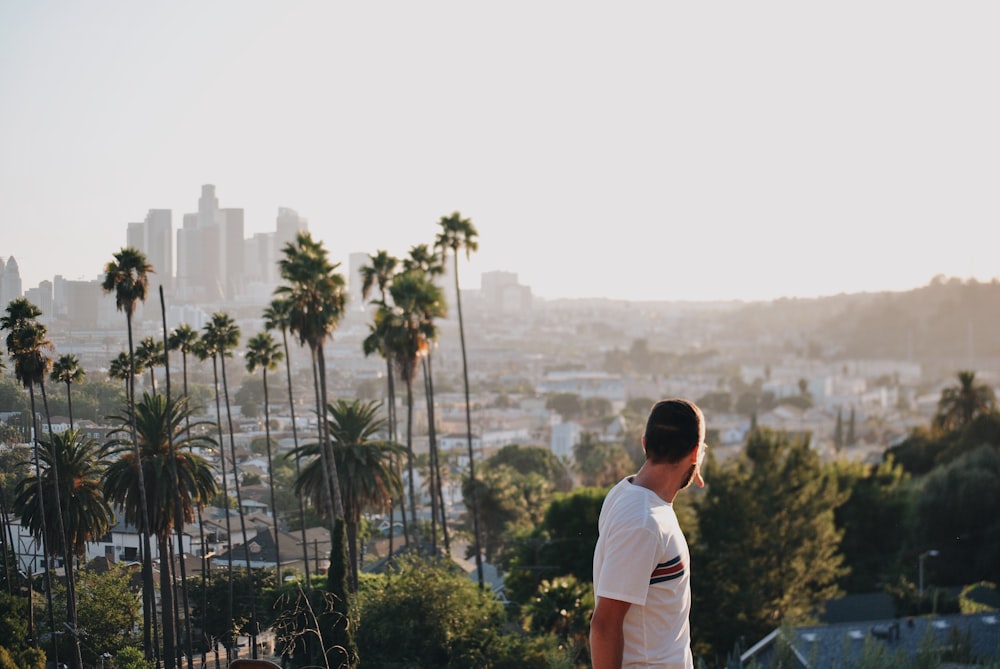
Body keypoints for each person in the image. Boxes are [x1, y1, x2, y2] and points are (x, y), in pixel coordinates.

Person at [590, 398, 707, 669]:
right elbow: (604, 625)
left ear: (645, 443)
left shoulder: (628, 493)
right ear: (694, 453)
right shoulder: (643, 522)